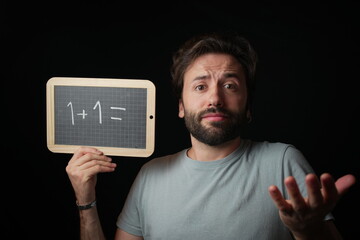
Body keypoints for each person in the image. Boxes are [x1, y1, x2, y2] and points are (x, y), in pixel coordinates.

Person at [66, 31, 356, 240]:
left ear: (248, 108)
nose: (215, 98)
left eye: (230, 85)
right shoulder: (150, 175)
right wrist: (85, 200)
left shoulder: (282, 161)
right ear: (181, 106)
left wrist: (307, 233)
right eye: (200, 86)